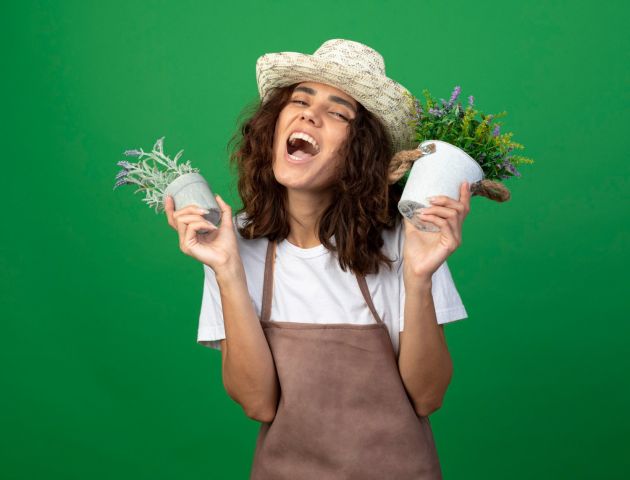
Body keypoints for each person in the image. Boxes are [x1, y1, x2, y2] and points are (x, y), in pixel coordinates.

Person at [164, 39, 471, 479]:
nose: (310, 114)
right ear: (273, 127)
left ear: (359, 152)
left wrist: (420, 277)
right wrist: (227, 271)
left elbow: (428, 397)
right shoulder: (232, 244)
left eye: (338, 112)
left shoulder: (408, 241)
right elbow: (258, 402)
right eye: (300, 101)